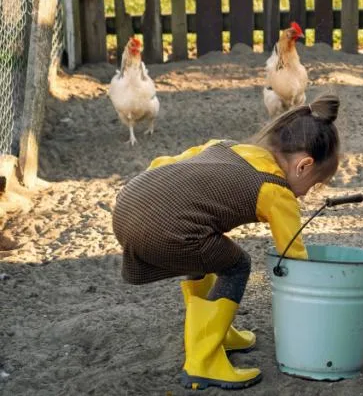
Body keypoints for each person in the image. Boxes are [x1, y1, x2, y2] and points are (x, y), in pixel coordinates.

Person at [112, 95, 341, 390]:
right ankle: (203, 361)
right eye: (313, 185)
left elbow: (167, 164)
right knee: (236, 265)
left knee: (204, 251)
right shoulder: (276, 190)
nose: (306, 194)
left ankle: (219, 332)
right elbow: (293, 253)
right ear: (303, 166)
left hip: (129, 205)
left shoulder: (226, 146)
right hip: (164, 230)